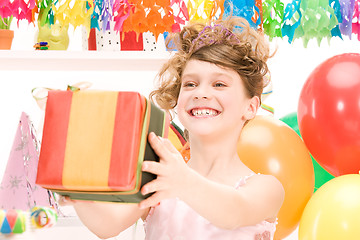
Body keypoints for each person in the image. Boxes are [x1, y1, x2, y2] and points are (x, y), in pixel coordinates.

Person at [60, 16, 285, 240]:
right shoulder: (159, 178)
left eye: (219, 84)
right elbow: (107, 225)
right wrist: (77, 191)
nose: (200, 93)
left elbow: (233, 213)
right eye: (190, 84)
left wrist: (181, 180)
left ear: (251, 106)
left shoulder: (266, 188)